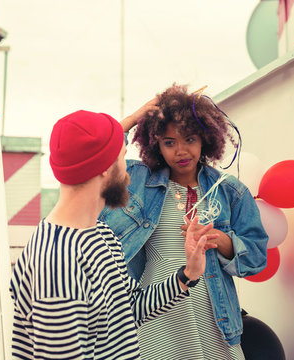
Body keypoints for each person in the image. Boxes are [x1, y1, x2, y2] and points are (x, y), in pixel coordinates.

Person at [10, 110, 220, 359]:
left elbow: (128, 309)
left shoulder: (100, 233)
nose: (128, 171)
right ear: (104, 168)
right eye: (122, 157)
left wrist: (188, 275)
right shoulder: (59, 263)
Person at [99, 84, 269, 359]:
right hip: (154, 314)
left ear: (205, 138)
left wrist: (224, 243)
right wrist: (135, 117)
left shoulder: (230, 191)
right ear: (156, 143)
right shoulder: (138, 180)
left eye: (189, 139)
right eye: (169, 142)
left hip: (214, 317)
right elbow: (99, 158)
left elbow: (257, 259)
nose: (180, 150)